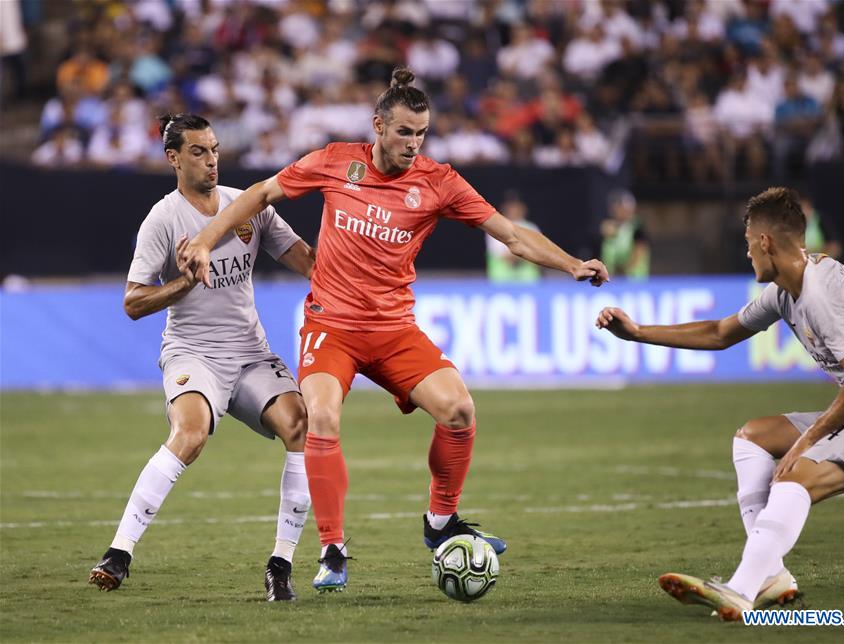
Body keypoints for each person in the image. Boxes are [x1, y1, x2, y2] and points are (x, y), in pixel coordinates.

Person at [179, 68, 609, 593]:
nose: (413, 143)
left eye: (421, 133)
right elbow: (261, 193)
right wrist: (205, 240)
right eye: (404, 132)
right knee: (322, 417)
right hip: (332, 327)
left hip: (393, 330)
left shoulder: (438, 182)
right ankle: (332, 549)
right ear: (378, 126)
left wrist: (571, 265)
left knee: (459, 410)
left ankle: (440, 522)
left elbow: (512, 236)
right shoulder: (336, 161)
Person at [596, 187, 844, 621]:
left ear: (765, 242)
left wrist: (806, 442)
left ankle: (740, 590)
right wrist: (638, 332)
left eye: (747, 243)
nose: (747, 254)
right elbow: (720, 333)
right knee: (753, 437)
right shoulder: (786, 290)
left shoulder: (820, 294)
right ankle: (770, 574)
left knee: (796, 475)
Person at [88, 114, 317, 602]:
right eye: (198, 151)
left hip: (251, 353)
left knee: (300, 426)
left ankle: (280, 565)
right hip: (194, 352)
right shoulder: (163, 219)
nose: (211, 160)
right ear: (173, 158)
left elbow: (305, 259)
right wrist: (184, 283)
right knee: (190, 435)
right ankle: (119, 552)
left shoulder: (246, 207)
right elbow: (133, 302)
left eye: (214, 149)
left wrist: (348, 267)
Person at [485, 191, 541, 283]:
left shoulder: (532, 227)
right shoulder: (494, 227)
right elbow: (502, 255)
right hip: (501, 282)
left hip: (528, 281)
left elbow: (539, 254)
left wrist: (518, 253)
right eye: (510, 206)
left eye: (516, 205)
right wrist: (525, 254)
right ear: (504, 207)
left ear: (523, 207)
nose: (513, 209)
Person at [600, 189, 649, 279]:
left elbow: (639, 251)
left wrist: (623, 271)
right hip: (612, 277)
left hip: (634, 278)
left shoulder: (637, 226)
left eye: (619, 206)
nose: (615, 210)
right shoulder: (609, 226)